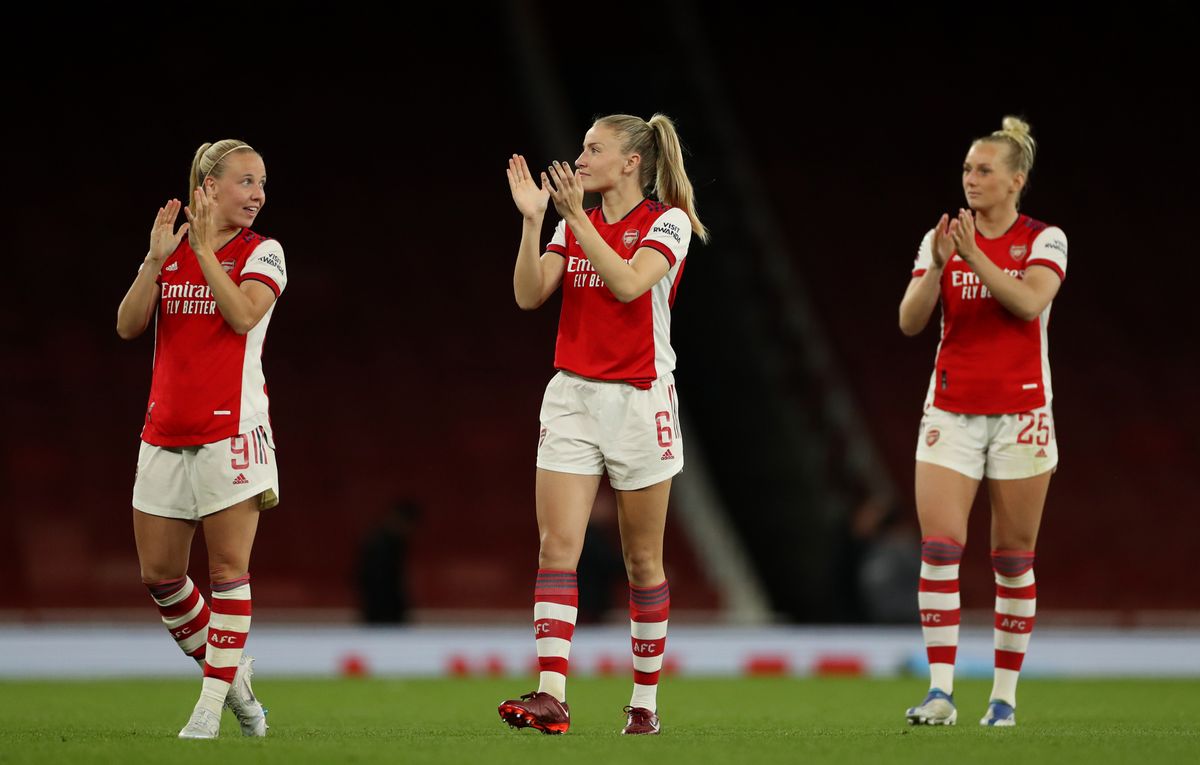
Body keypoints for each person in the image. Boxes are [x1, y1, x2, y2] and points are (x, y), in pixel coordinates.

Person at [496, 113, 707, 736]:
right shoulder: (568, 223)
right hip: (571, 395)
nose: (579, 160)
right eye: (582, 148)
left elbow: (628, 284)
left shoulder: (665, 222)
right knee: (556, 546)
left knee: (642, 560)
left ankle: (644, 703)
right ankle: (551, 695)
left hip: (640, 399)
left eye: (594, 149)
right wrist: (536, 221)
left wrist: (576, 221)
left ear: (631, 163)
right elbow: (529, 295)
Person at [898, 117, 1068, 728]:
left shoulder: (1045, 240)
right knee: (940, 548)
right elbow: (910, 321)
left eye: (984, 169)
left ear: (1015, 180)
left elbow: (1027, 303)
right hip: (952, 411)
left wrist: (975, 257)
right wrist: (943, 265)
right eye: (968, 168)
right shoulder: (940, 237)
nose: (970, 179)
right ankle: (941, 692)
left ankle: (1003, 698)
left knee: (1012, 558)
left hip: (1023, 415)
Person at [116, 139, 288, 739]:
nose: (258, 194)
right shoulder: (170, 254)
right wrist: (153, 261)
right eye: (245, 182)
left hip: (232, 430)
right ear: (208, 187)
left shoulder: (264, 252)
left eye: (261, 183)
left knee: (228, 571)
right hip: (164, 429)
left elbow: (243, 315)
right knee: (159, 574)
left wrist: (201, 254)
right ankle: (235, 681)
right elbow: (128, 325)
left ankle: (211, 707)